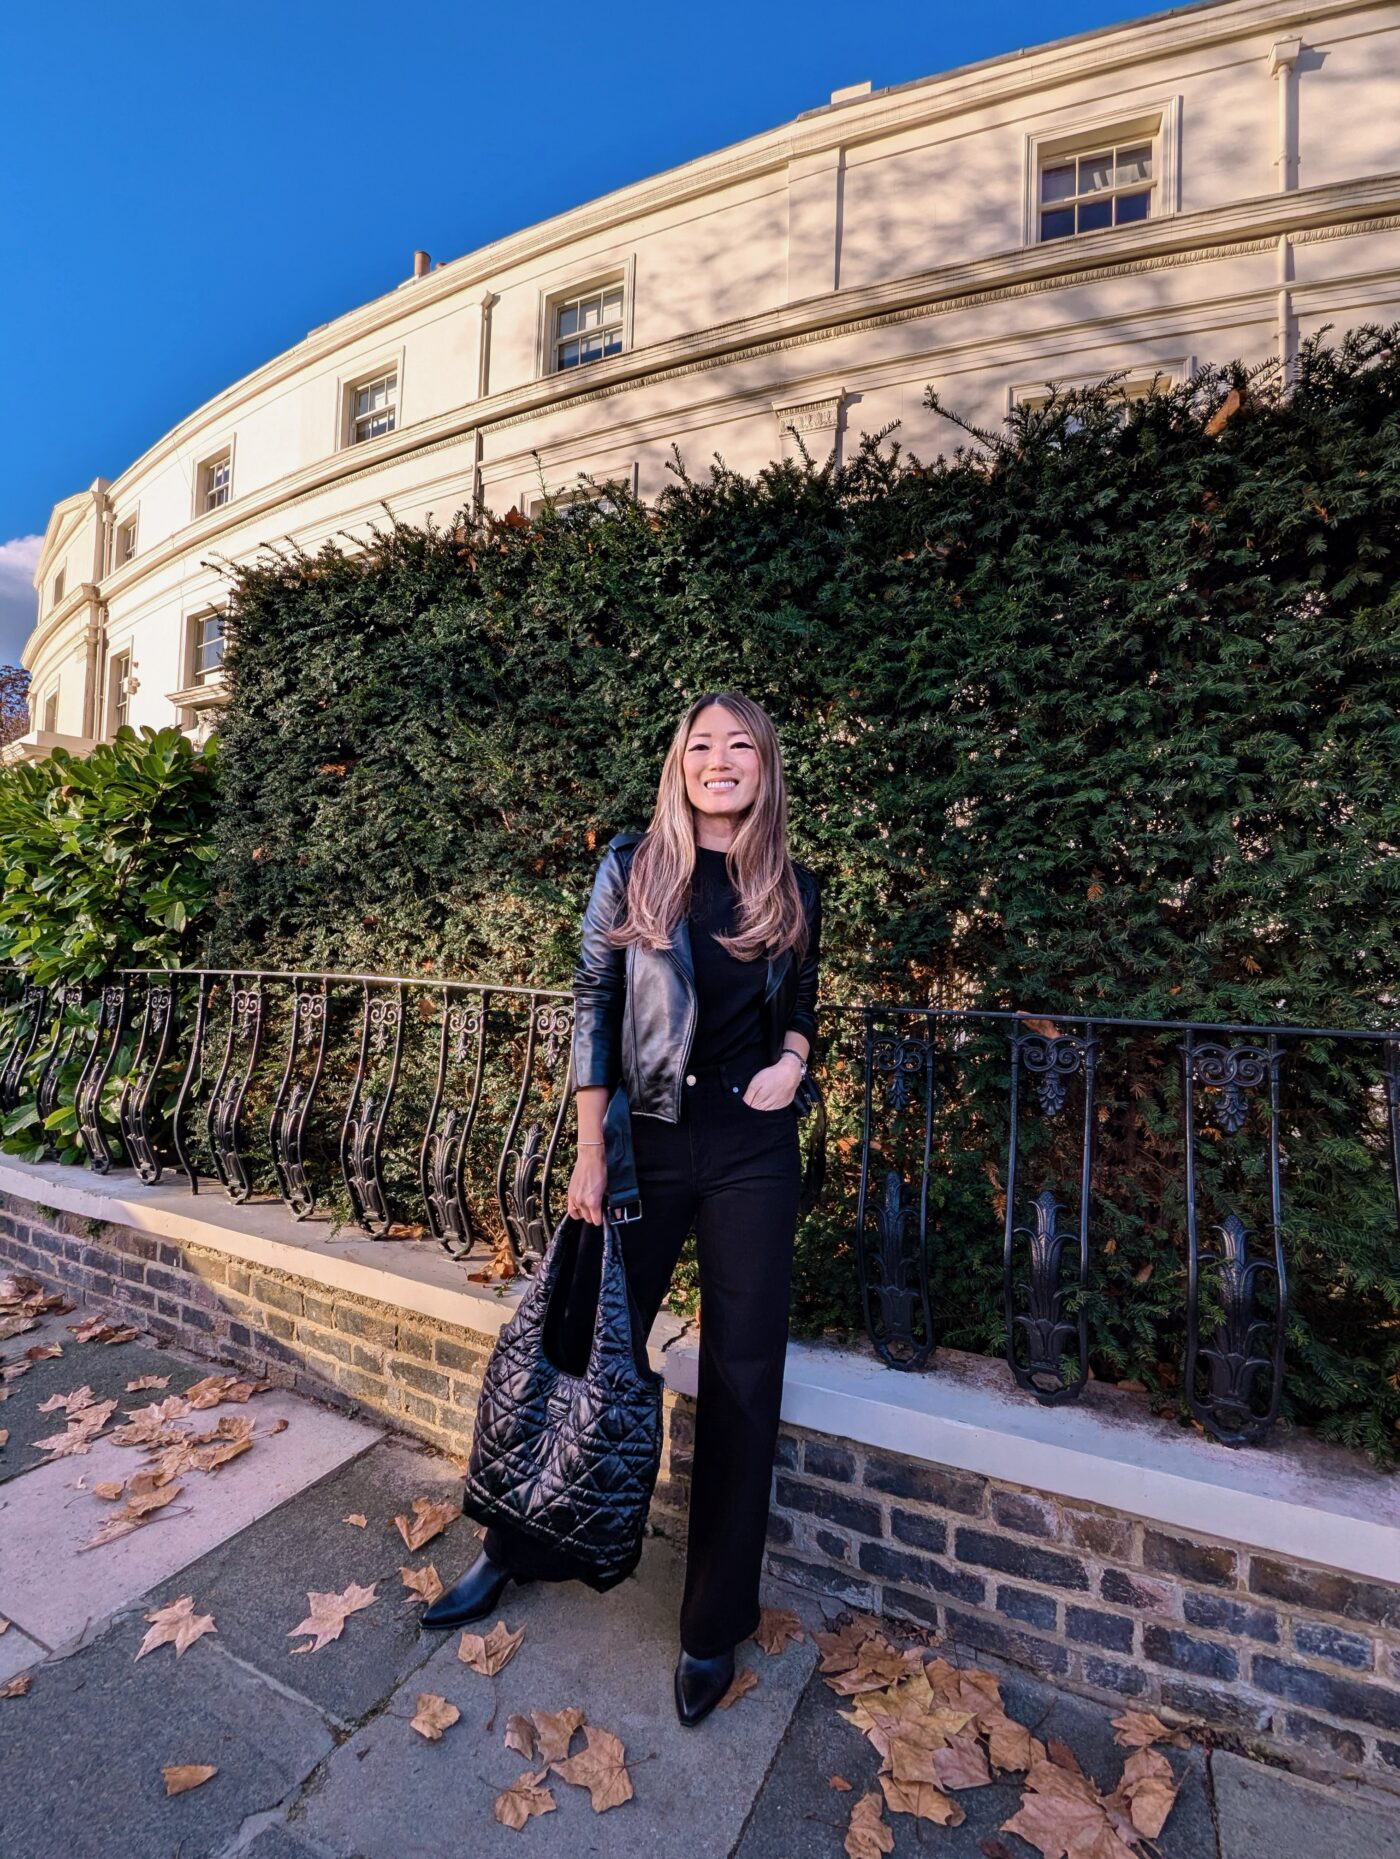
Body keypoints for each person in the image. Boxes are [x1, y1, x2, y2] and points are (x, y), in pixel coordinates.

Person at [423, 688, 822, 1728]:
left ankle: (709, 1624)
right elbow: (593, 1005)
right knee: (580, 1341)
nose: (719, 759)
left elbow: (802, 1012)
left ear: (763, 766)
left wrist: (792, 1061)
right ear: (679, 763)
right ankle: (511, 1545)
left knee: (743, 1375)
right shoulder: (631, 866)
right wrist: (590, 1147)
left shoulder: (791, 883)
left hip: (750, 1149)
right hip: (644, 1141)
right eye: (702, 745)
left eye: (739, 745)